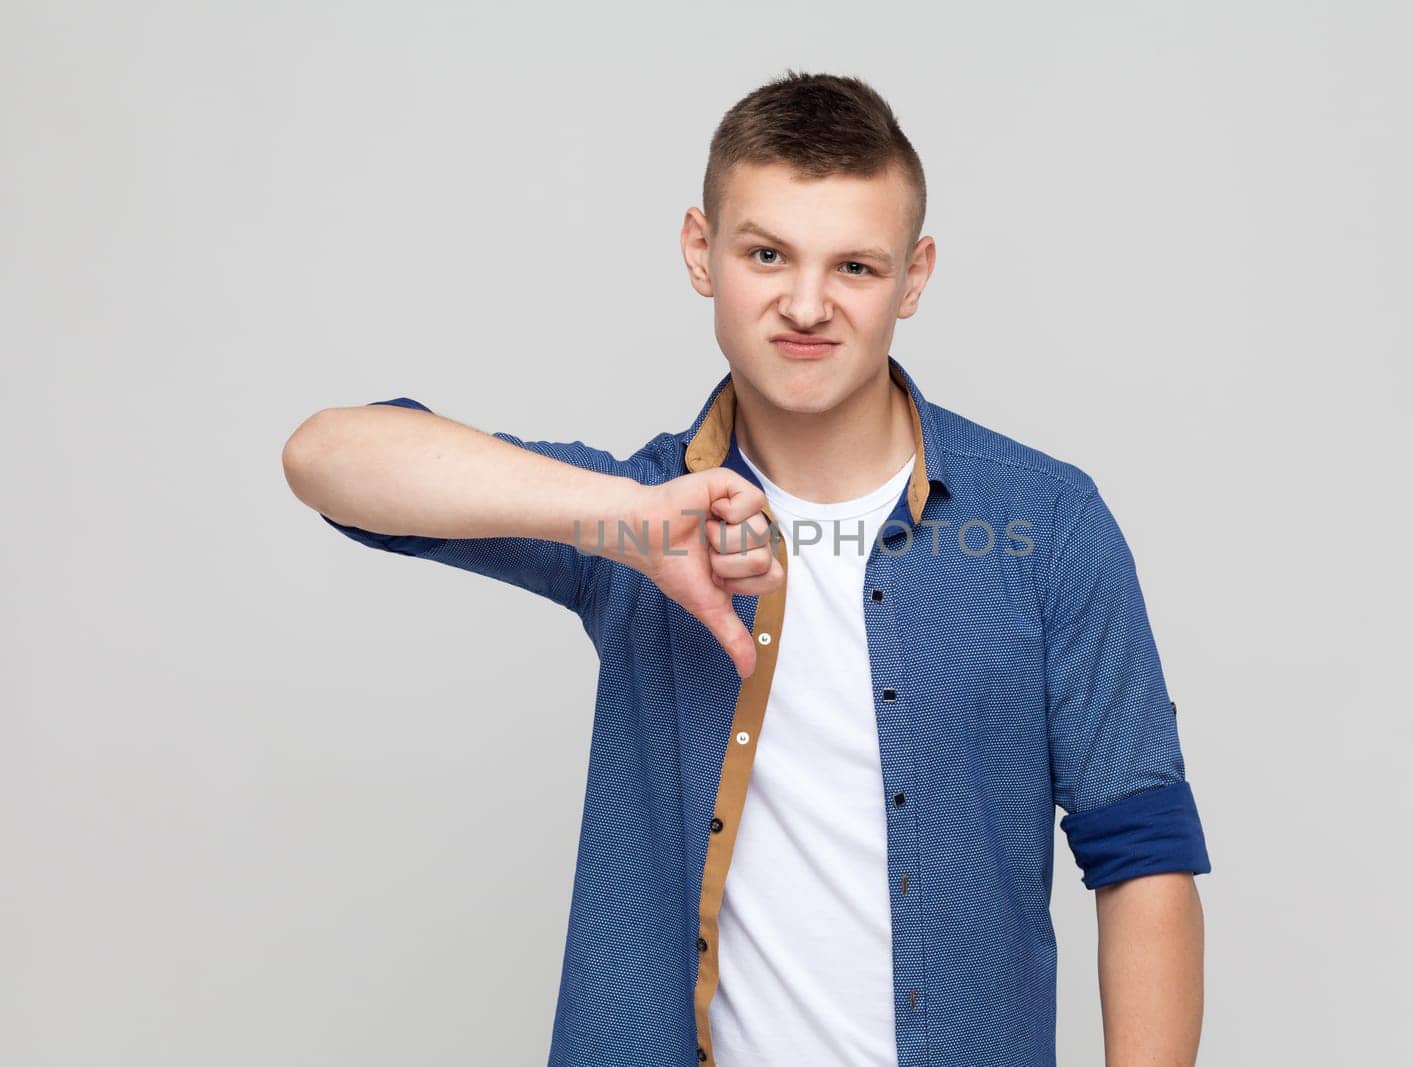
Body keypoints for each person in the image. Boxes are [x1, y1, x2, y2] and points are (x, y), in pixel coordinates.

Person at [282, 69, 1212, 1067]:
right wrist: (628, 521)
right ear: (701, 251)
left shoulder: (1043, 522)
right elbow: (329, 458)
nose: (806, 304)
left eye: (854, 266)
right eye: (767, 253)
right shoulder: (635, 514)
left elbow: (1141, 849)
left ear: (913, 275)